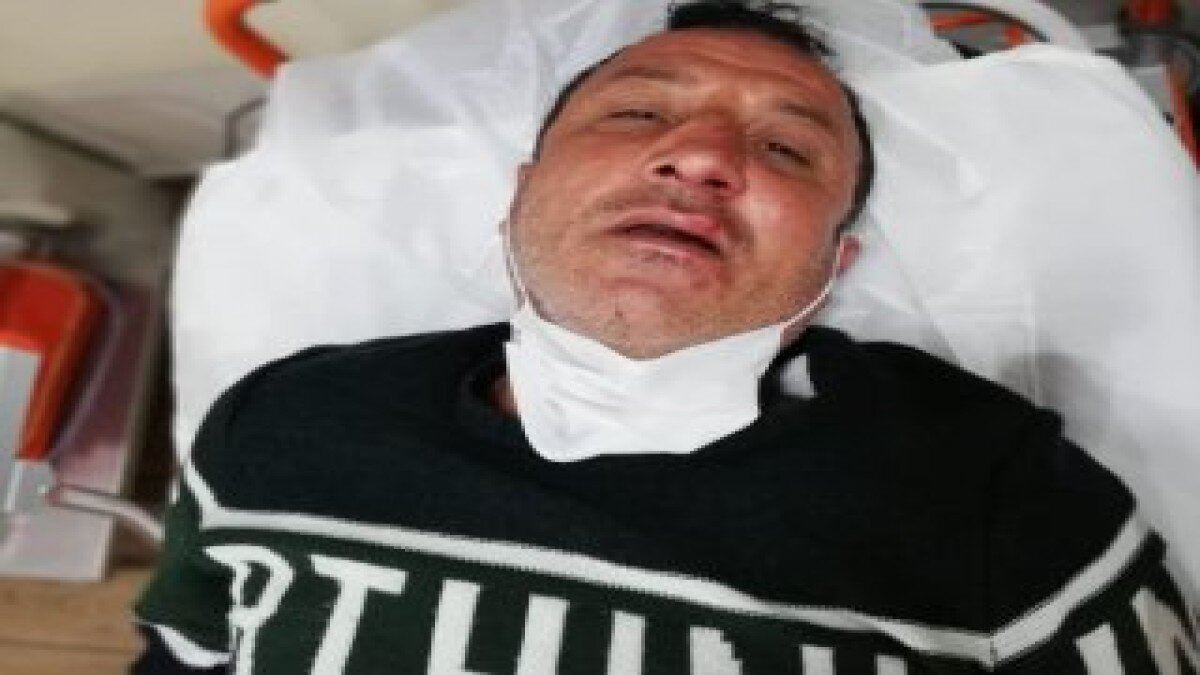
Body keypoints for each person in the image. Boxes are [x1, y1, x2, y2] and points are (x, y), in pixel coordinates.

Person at [133, 1, 1198, 672]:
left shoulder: (991, 491)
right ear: (518, 196)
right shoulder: (282, 424)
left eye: (787, 149)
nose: (702, 157)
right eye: (637, 114)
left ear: (835, 268)